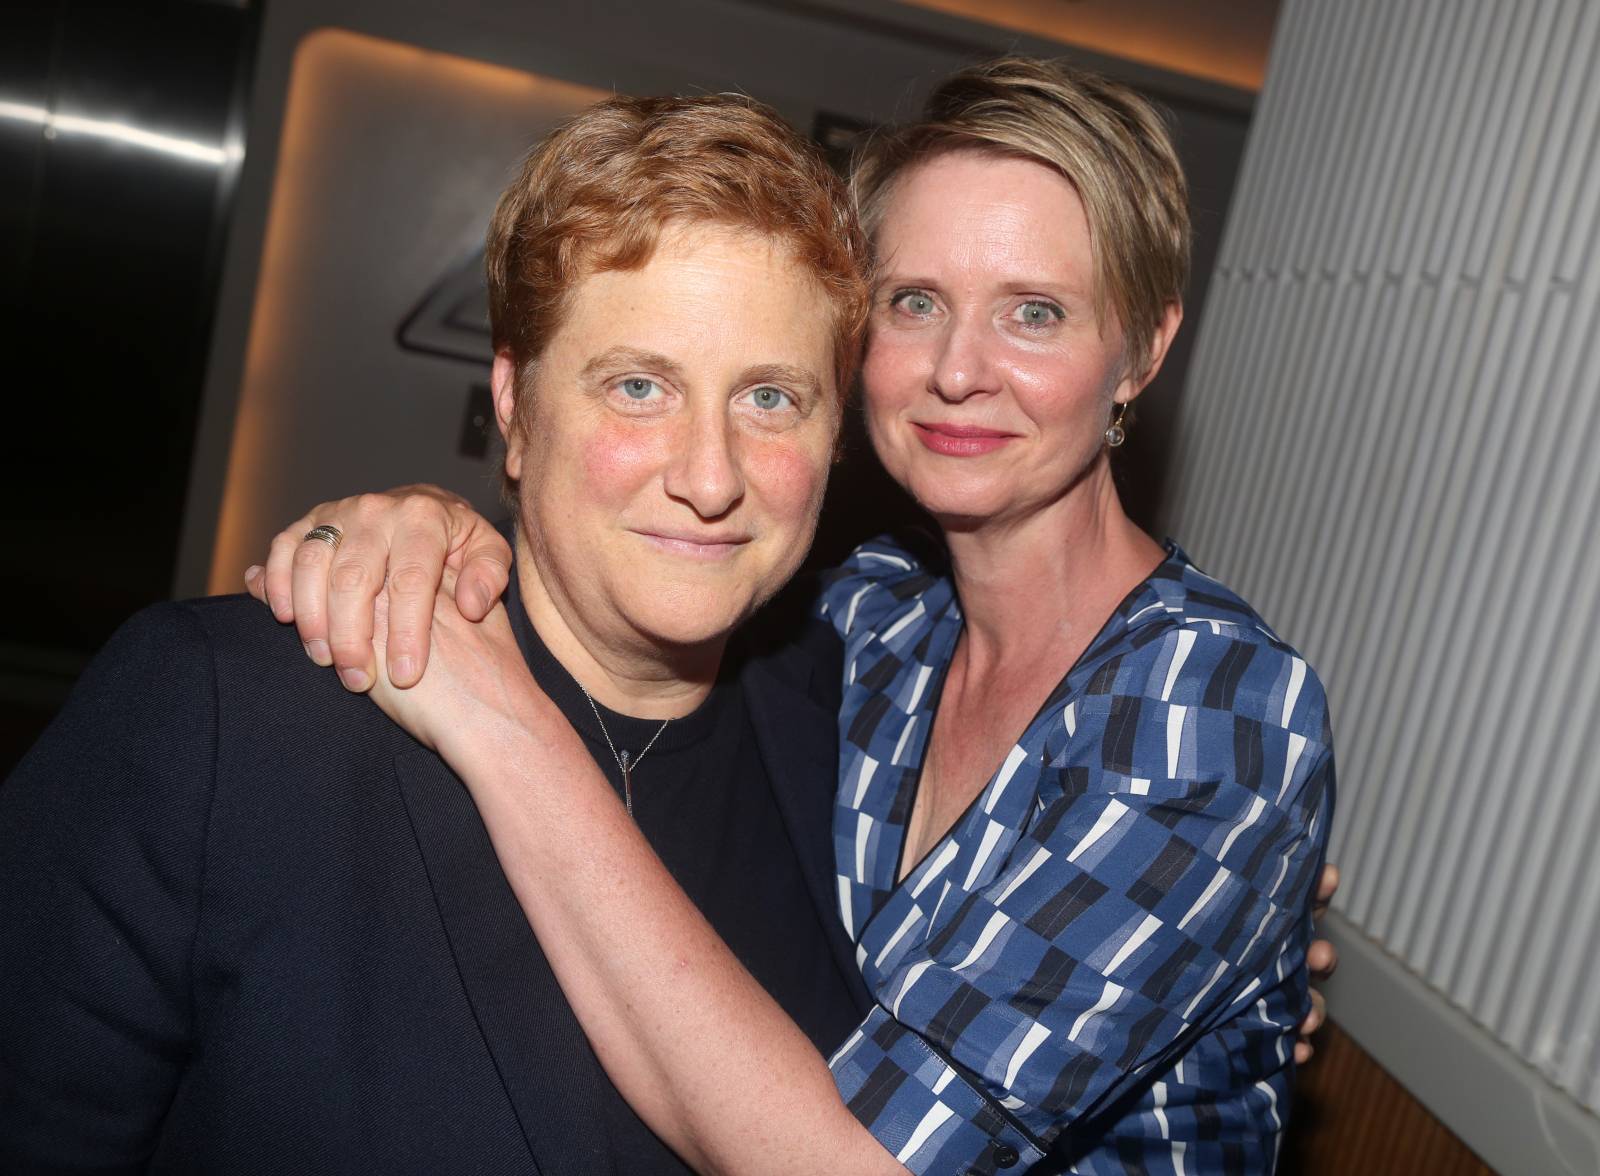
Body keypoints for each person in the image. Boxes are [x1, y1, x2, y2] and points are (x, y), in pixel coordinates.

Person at [255, 59, 1336, 1174]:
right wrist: (424, 525)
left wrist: (497, 722)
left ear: (1143, 350)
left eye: (1035, 312)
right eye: (914, 303)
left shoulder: (1205, 709)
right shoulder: (868, 616)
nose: (959, 370)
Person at [0, 93, 879, 1175]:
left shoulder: (863, 765)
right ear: (513, 404)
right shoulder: (230, 714)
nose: (708, 476)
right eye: (639, 386)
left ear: (838, 431)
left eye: (772, 401)